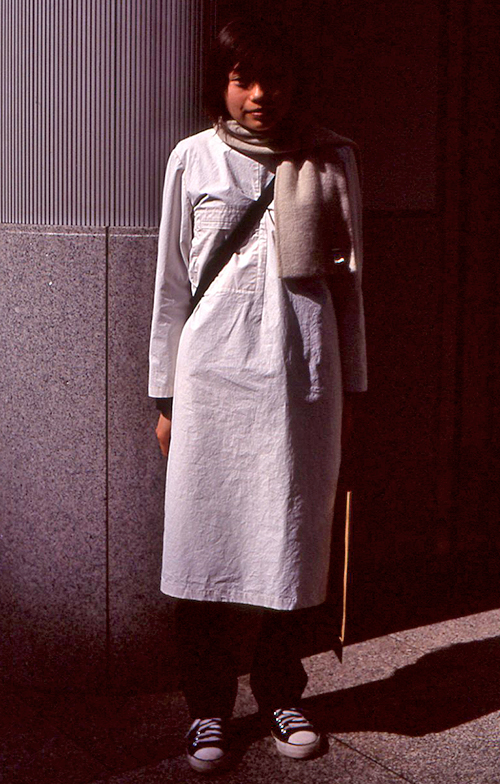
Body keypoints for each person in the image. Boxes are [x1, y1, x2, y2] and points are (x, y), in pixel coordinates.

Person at [149, 16, 367, 774]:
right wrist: (165, 398)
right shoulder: (193, 158)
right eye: (244, 79)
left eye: (276, 78)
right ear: (222, 84)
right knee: (203, 547)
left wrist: (353, 390)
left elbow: (352, 291)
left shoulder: (333, 157)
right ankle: (207, 709)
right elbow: (171, 286)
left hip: (304, 380)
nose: (261, 95)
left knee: (293, 541)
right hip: (212, 382)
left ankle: (282, 694)